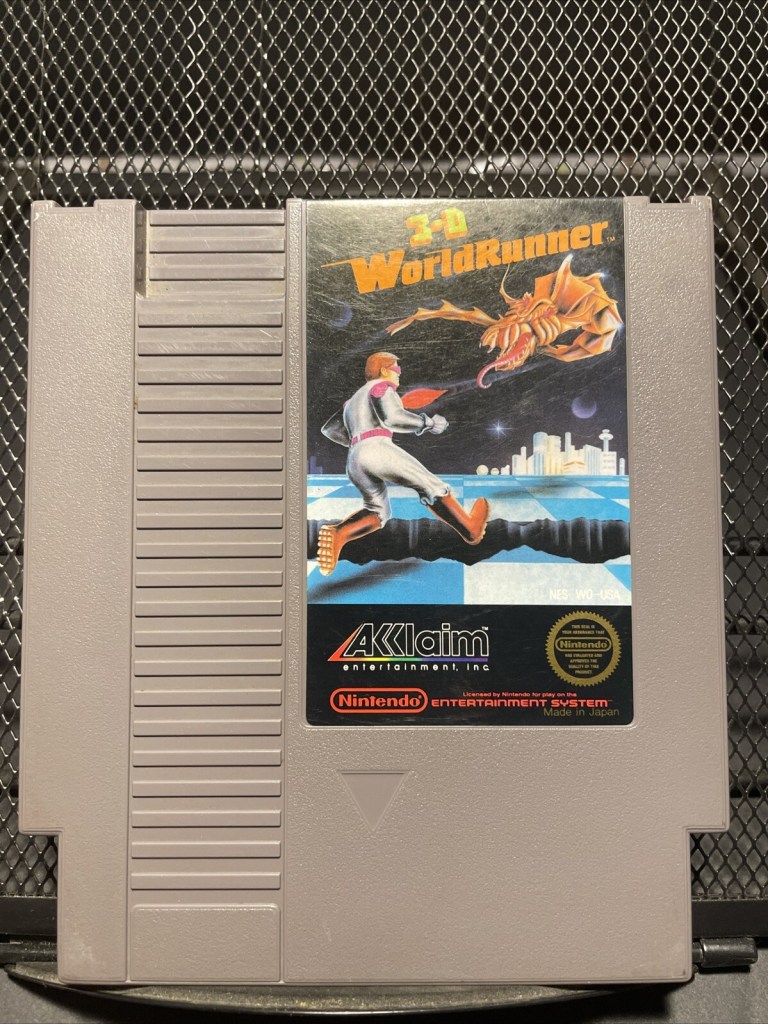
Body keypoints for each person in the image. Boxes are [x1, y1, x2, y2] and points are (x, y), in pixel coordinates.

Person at [317, 351, 490, 575]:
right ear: (383, 370)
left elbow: (329, 429)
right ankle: (470, 530)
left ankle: (339, 533)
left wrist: (356, 442)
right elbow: (393, 418)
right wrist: (427, 423)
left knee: (378, 510)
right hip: (378, 448)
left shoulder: (351, 402)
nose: (399, 374)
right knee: (431, 485)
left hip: (355, 458)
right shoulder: (382, 387)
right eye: (396, 369)